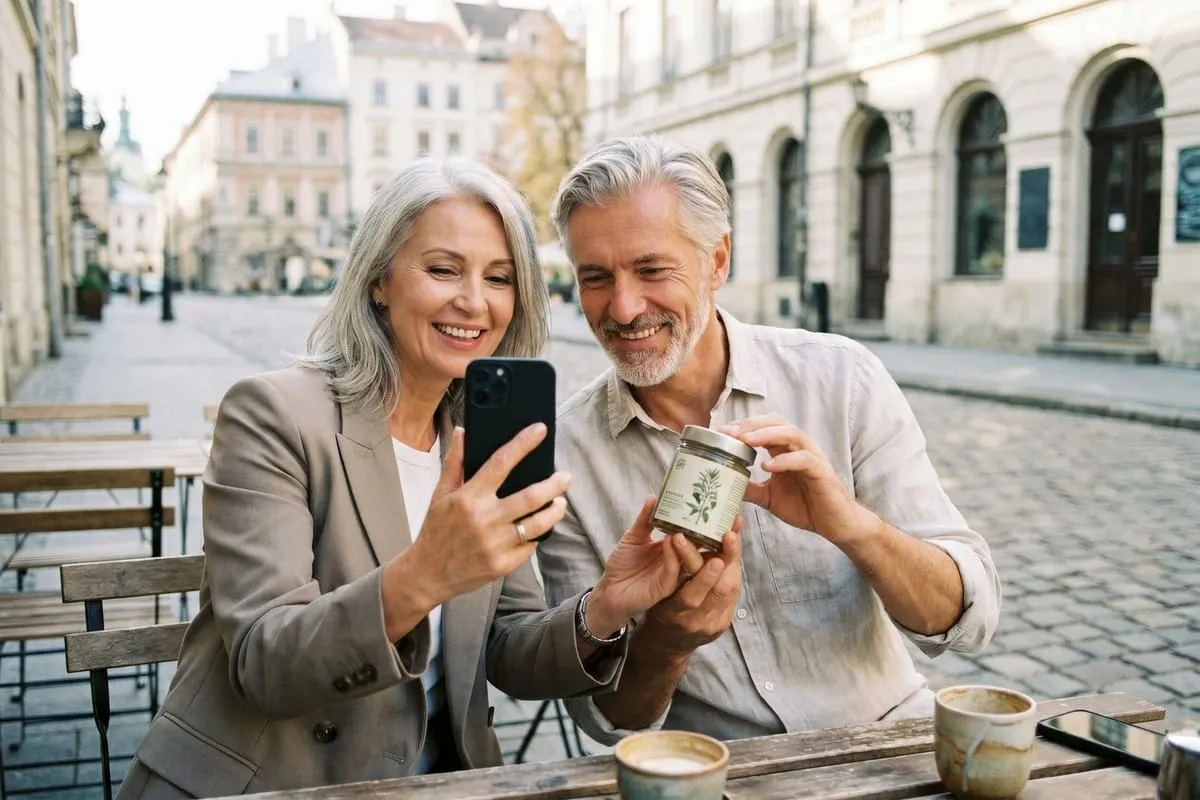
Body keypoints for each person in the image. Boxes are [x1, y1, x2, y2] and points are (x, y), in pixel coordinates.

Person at [120, 158, 687, 798]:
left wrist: (605, 607)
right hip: (269, 781)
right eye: (443, 269)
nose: (474, 301)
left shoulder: (482, 440)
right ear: (379, 280)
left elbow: (507, 646)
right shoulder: (274, 415)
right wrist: (424, 577)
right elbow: (264, 663)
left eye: (499, 278)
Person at [536, 135, 1001, 745]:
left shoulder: (840, 378)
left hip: (885, 738)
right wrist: (670, 639)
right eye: (595, 278)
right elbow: (610, 719)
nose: (623, 308)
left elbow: (965, 617)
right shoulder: (566, 455)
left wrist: (854, 528)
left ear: (718, 260)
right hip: (716, 767)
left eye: (652, 269)